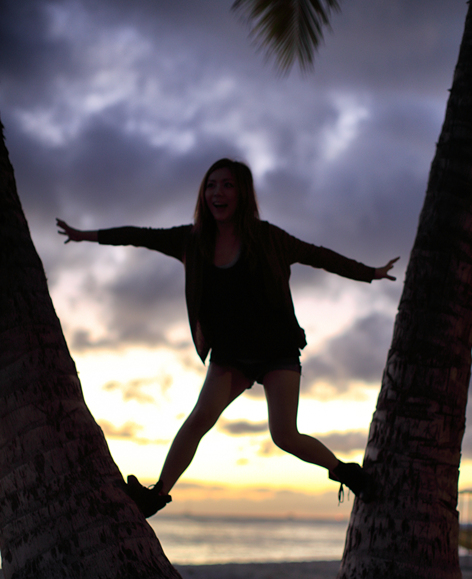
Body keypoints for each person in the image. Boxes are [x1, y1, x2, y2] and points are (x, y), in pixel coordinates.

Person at [57, 158, 399, 518]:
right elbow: (139, 236)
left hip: (275, 348)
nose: (217, 193)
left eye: (227, 185)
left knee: (284, 435)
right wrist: (85, 235)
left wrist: (371, 273)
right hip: (230, 354)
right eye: (211, 185)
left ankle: (346, 473)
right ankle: (156, 495)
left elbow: (319, 256)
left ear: (242, 194)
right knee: (199, 419)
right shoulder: (191, 241)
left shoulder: (269, 238)